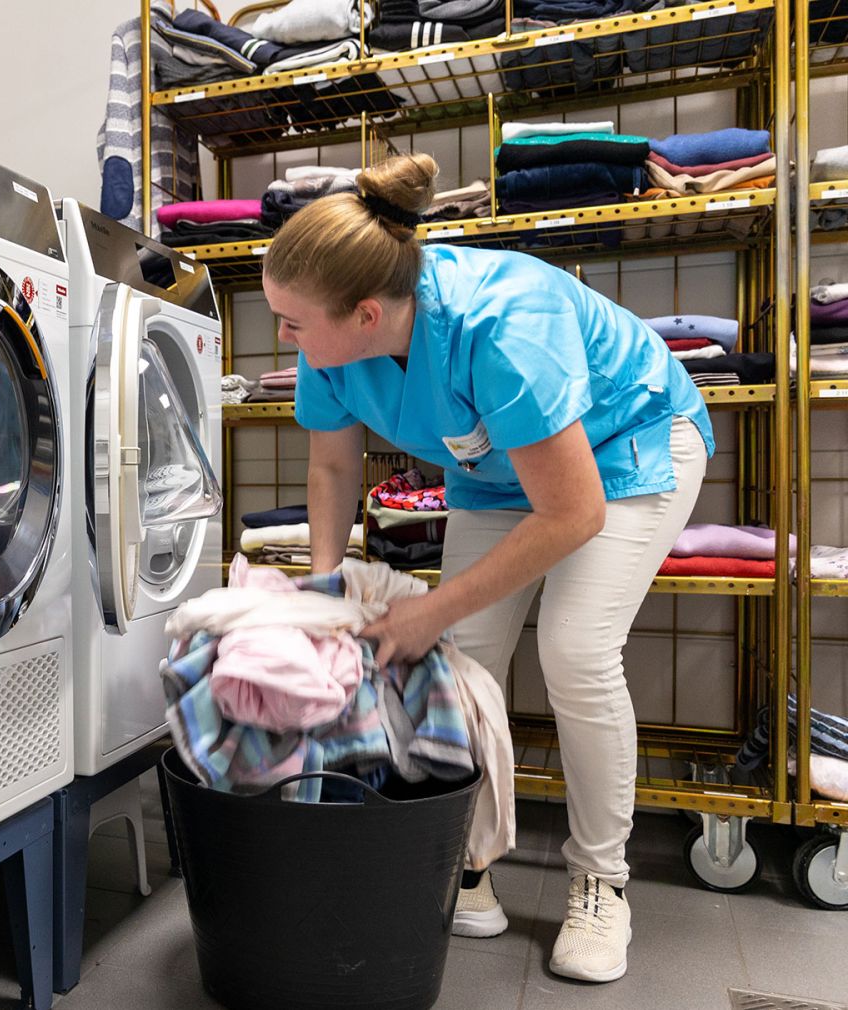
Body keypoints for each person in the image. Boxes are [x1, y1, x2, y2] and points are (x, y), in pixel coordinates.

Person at [264, 152, 712, 984]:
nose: (281, 337)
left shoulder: (501, 322)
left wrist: (428, 610)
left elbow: (573, 512)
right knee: (463, 657)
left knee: (574, 650)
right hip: (498, 470)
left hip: (627, 443)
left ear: (366, 315)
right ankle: (466, 861)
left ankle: (602, 882)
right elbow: (330, 466)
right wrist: (325, 589)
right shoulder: (331, 350)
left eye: (292, 323)